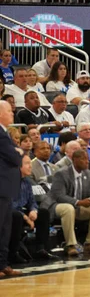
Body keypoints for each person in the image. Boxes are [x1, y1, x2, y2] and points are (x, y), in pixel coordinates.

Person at [0, 100, 24, 277]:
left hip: (6, 188)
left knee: (5, 228)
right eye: (9, 110)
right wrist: (18, 153)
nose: (12, 113)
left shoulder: (4, 133)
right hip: (1, 187)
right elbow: (15, 158)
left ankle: (2, 264)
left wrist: (17, 152)